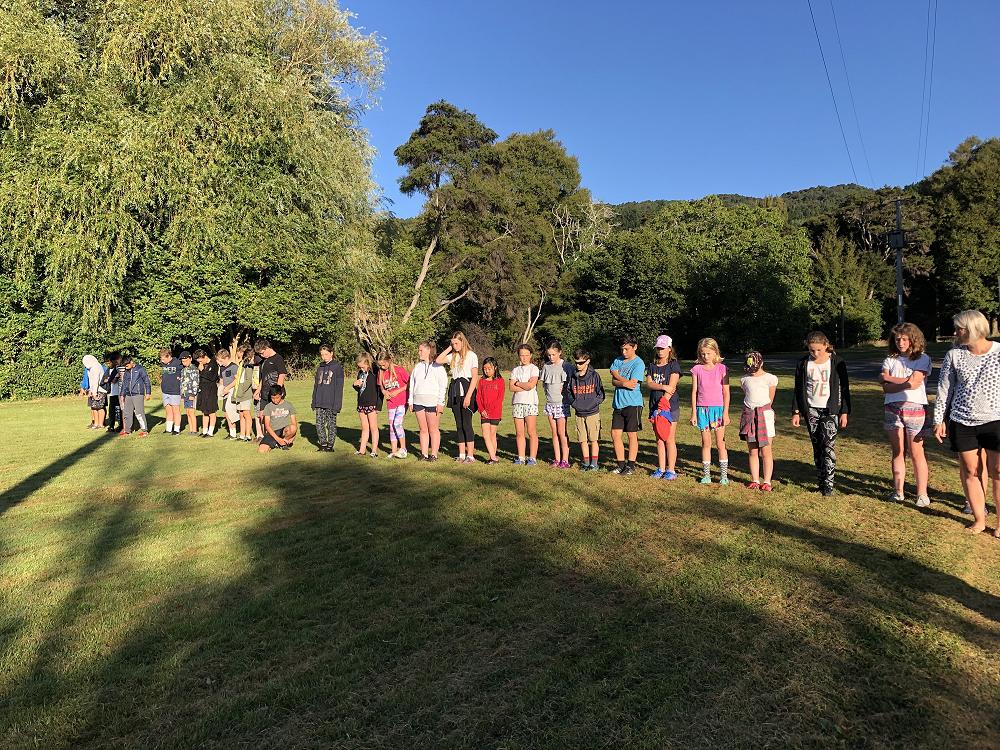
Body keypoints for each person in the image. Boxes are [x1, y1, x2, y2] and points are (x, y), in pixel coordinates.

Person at [933, 310, 1000, 535]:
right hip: (962, 421)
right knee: (971, 471)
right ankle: (979, 519)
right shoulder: (954, 355)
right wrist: (939, 419)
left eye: (958, 329)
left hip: (995, 420)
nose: (955, 333)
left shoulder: (999, 352)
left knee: (998, 471)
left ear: (972, 328)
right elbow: (944, 390)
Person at [792, 331, 851, 496]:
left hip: (830, 410)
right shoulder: (803, 363)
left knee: (828, 445)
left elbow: (845, 388)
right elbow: (798, 388)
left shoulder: (837, 362)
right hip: (811, 409)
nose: (815, 353)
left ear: (826, 345)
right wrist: (796, 411)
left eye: (819, 349)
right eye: (812, 350)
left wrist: (844, 411)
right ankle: (820, 480)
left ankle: (828, 485)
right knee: (817, 446)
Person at [880, 322, 933, 507]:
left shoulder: (922, 358)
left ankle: (922, 494)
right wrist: (904, 382)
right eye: (897, 339)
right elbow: (886, 388)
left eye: (904, 339)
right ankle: (898, 491)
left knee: (916, 451)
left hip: (915, 407)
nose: (900, 343)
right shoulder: (890, 359)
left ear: (913, 340)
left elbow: (915, 383)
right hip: (892, 407)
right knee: (898, 451)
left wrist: (890, 379)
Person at [690, 337, 730, 485]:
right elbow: (694, 392)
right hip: (702, 410)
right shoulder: (696, 370)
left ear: (715, 352)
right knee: (706, 443)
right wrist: (694, 413)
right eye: (703, 354)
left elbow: (726, 392)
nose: (706, 356)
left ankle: (723, 476)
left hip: (718, 411)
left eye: (708, 353)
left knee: (720, 443)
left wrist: (725, 413)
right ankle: (706, 475)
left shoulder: (722, 369)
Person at [437, 331, 479, 463]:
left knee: (467, 424)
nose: (455, 346)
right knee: (459, 424)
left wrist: (468, 396)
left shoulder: (471, 355)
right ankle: (461, 454)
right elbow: (438, 360)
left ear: (462, 342)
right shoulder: (452, 356)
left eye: (456, 343)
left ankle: (470, 455)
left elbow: (474, 378)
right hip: (455, 391)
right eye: (453, 343)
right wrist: (449, 347)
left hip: (467, 390)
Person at [739, 351, 777, 491]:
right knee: (753, 450)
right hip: (749, 415)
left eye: (755, 368)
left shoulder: (770, 378)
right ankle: (755, 479)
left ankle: (767, 481)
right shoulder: (744, 379)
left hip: (765, 416)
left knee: (766, 450)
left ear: (761, 363)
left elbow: (770, 399)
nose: (752, 372)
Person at [646, 335, 681, 480]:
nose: (660, 351)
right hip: (654, 407)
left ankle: (671, 470)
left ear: (669, 349)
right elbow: (649, 384)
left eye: (663, 348)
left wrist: (662, 405)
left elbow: (671, 388)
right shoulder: (652, 366)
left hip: (670, 407)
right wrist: (662, 386)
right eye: (658, 348)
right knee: (659, 439)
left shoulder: (674, 365)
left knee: (669, 439)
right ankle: (661, 468)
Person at [610, 334, 646, 475]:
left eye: (627, 349)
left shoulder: (639, 363)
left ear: (634, 347)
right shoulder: (618, 360)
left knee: (632, 434)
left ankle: (631, 465)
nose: (623, 352)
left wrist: (618, 379)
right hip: (618, 404)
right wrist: (623, 382)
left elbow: (633, 384)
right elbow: (613, 380)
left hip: (633, 403)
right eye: (622, 349)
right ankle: (621, 464)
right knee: (615, 434)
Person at [408, 340, 448, 461]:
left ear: (428, 350)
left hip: (433, 402)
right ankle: (424, 454)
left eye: (421, 350)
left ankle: (434, 454)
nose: (419, 352)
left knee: (433, 429)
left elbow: (443, 385)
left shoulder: (438, 367)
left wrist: (440, 402)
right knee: (423, 429)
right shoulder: (417, 367)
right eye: (419, 350)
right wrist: (411, 401)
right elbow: (412, 384)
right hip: (418, 401)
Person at [567, 349, 605, 472]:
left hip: (592, 413)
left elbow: (601, 394)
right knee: (582, 440)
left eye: (581, 363)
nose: (578, 365)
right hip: (579, 413)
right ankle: (586, 462)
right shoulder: (573, 376)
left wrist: (592, 404)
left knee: (593, 439)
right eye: (576, 363)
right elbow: (569, 392)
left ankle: (594, 464)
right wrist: (574, 403)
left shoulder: (595, 375)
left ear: (588, 361)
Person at [541, 340, 572, 468]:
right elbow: (544, 384)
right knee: (554, 433)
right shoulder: (546, 366)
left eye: (553, 354)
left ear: (560, 352)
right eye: (549, 355)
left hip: (562, 404)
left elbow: (573, 382)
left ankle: (565, 460)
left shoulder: (566, 366)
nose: (551, 357)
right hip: (550, 404)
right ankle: (557, 458)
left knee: (562, 432)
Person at [510, 344, 540, 466]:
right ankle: (521, 457)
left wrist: (518, 383)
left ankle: (532, 458)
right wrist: (523, 385)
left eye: (526, 355)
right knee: (519, 433)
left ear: (531, 355)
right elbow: (511, 387)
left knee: (531, 432)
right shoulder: (515, 370)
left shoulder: (534, 369)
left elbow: (531, 385)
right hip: (517, 403)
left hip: (530, 403)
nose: (524, 358)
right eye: (521, 355)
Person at [312, 344, 345, 453]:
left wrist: (337, 405)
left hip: (331, 402)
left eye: (326, 354)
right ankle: (323, 444)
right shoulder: (320, 367)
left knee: (331, 424)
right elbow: (316, 386)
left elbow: (339, 388)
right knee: (319, 424)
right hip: (319, 401)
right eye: (322, 355)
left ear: (331, 353)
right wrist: (314, 401)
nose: (324, 357)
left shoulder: (337, 367)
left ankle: (330, 445)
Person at [378, 352, 410, 459]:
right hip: (391, 403)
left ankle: (403, 449)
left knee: (397, 424)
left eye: (383, 364)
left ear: (389, 361)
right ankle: (394, 450)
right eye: (380, 365)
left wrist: (397, 391)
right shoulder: (381, 373)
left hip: (402, 401)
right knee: (392, 427)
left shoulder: (399, 370)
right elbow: (381, 386)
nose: (382, 367)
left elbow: (409, 384)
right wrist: (384, 392)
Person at [476, 357, 505, 464]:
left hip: (495, 412)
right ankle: (493, 457)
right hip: (484, 413)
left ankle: (493, 457)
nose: (487, 371)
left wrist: (491, 410)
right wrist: (481, 409)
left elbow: (500, 398)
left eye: (489, 368)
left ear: (495, 368)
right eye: (485, 369)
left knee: (492, 434)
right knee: (485, 434)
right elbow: (478, 397)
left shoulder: (500, 381)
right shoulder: (481, 381)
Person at [353, 353, 382, 457]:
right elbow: (359, 389)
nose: (361, 369)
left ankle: (374, 451)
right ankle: (362, 450)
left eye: (362, 366)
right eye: (359, 367)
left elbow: (380, 390)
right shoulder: (360, 373)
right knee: (365, 428)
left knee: (373, 427)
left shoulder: (375, 372)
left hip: (372, 404)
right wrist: (355, 384)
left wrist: (378, 406)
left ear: (367, 362)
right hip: (361, 403)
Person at [258, 385, 297, 453]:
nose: (275, 400)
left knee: (293, 428)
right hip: (272, 432)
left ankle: (283, 441)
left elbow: (294, 423)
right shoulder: (268, 407)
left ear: (282, 394)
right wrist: (278, 439)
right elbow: (267, 426)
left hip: (284, 431)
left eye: (277, 398)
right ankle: (278, 443)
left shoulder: (289, 405)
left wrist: (293, 436)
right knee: (261, 451)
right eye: (272, 398)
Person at [119, 356, 151, 436]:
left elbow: (146, 381)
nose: (126, 367)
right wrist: (122, 394)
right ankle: (127, 430)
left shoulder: (140, 369)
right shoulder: (126, 371)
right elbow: (124, 384)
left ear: (131, 362)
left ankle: (144, 431)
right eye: (124, 366)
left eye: (127, 365)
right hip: (128, 395)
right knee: (127, 413)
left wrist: (148, 393)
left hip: (138, 394)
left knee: (139, 413)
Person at [232, 346, 257, 442]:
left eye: (240, 352)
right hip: (239, 392)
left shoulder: (248, 365)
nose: (238, 354)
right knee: (241, 414)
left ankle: (248, 435)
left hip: (245, 394)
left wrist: (241, 391)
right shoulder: (241, 364)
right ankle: (242, 435)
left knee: (246, 414)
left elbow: (248, 380)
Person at [254, 339, 287, 406]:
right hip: (264, 395)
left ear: (267, 348)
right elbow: (264, 377)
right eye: (259, 354)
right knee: (262, 413)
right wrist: (258, 390)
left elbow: (282, 375)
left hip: (274, 395)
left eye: (262, 353)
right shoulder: (264, 361)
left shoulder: (278, 358)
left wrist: (277, 393)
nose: (261, 355)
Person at [195, 349, 220, 438]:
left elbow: (212, 377)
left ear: (204, 356)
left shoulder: (213, 364)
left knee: (211, 411)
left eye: (200, 360)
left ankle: (210, 432)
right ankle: (205, 431)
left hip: (211, 390)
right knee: (204, 411)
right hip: (203, 390)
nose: (199, 362)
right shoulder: (202, 365)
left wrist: (202, 371)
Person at [216, 349, 240, 440]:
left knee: (231, 412)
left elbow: (237, 380)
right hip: (225, 392)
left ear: (226, 358)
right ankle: (232, 433)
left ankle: (234, 433)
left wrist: (228, 388)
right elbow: (221, 380)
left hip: (232, 392)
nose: (220, 363)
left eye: (221, 361)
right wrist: (222, 389)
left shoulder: (234, 367)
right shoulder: (222, 368)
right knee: (226, 412)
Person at [158, 348, 183, 435]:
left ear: (168, 356)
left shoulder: (177, 363)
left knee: (176, 410)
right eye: (161, 359)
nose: (162, 361)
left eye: (163, 359)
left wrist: (180, 378)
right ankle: (168, 429)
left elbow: (185, 370)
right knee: (168, 410)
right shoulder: (163, 364)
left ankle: (177, 429)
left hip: (175, 391)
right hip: (165, 391)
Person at [80, 354, 107, 429]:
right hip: (94, 390)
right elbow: (91, 381)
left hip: (100, 390)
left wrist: (94, 393)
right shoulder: (91, 368)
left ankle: (100, 424)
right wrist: (90, 390)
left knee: (100, 407)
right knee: (94, 407)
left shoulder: (96, 367)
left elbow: (96, 381)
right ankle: (96, 423)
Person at [179, 351, 200, 435]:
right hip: (185, 393)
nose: (184, 362)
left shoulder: (194, 369)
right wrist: (182, 394)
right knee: (187, 412)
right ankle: (191, 430)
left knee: (191, 412)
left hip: (191, 393)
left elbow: (196, 382)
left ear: (190, 359)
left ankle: (194, 430)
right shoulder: (183, 370)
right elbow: (182, 383)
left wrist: (193, 394)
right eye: (183, 361)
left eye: (186, 360)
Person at [105, 353, 125, 433]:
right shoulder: (112, 369)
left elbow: (113, 380)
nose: (109, 364)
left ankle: (121, 426)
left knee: (119, 410)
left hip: (119, 392)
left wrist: (109, 379)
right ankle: (112, 426)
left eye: (111, 362)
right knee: (112, 410)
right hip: (112, 393)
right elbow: (111, 379)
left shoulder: (120, 367)